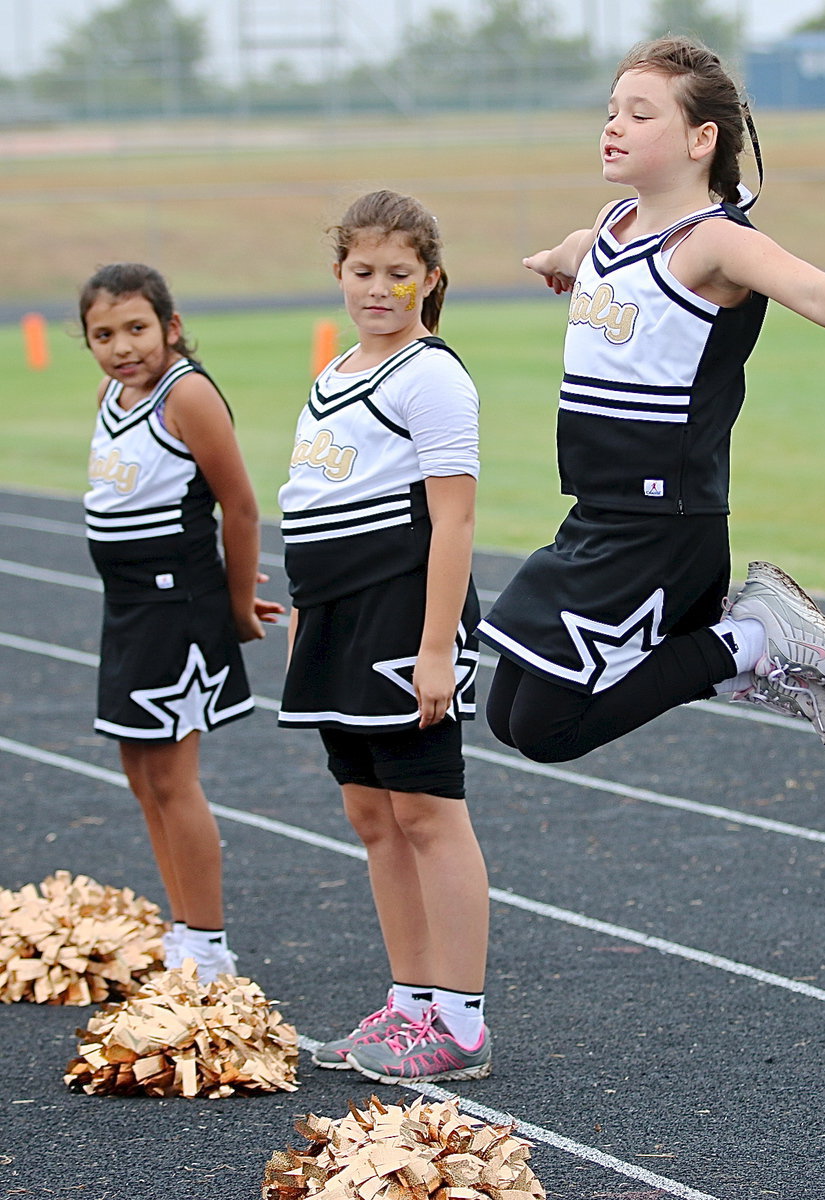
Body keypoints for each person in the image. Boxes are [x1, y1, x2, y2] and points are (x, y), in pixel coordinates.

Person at [478, 36, 825, 759]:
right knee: (506, 714)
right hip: (596, 512)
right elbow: (578, 253)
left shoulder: (713, 244)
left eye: (640, 114)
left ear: (699, 138)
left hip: (662, 521)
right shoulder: (608, 230)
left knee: (544, 731)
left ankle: (752, 639)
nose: (613, 126)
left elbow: (814, 290)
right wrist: (554, 263)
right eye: (611, 111)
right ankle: (742, 649)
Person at [278, 190, 491, 1083]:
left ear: (428, 280)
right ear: (339, 275)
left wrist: (437, 646)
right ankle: (410, 1002)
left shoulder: (430, 375)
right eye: (362, 272)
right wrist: (301, 622)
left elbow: (454, 521)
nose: (378, 288)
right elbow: (314, 510)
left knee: (426, 812)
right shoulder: (332, 377)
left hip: (403, 616)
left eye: (398, 274)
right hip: (334, 617)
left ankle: (462, 1023)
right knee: (369, 813)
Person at [80, 263, 282, 983]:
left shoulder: (186, 393)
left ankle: (208, 947)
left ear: (168, 326)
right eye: (102, 334)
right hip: (130, 608)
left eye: (136, 328)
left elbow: (240, 506)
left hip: (178, 608)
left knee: (172, 776)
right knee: (140, 774)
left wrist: (232, 606)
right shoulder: (112, 392)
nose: (121, 346)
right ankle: (183, 929)